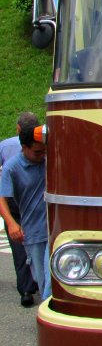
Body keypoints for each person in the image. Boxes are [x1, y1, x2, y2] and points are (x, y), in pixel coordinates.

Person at [0, 123, 51, 301]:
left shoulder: (48, 160)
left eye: (44, 151)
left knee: (52, 277)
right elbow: (2, 198)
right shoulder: (11, 168)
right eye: (37, 152)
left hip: (55, 229)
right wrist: (12, 223)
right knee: (42, 279)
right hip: (34, 233)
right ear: (24, 148)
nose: (42, 155)